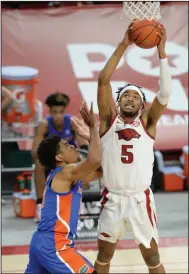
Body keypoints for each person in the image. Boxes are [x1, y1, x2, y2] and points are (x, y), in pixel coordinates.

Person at [72, 24, 171, 274]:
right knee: (104, 255)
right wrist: (124, 44)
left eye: (135, 96)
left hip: (140, 199)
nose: (129, 98)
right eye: (125, 96)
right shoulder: (108, 121)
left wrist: (162, 52)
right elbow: (103, 79)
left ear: (141, 105)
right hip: (112, 197)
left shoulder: (148, 122)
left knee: (152, 257)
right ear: (118, 102)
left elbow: (165, 93)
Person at [25, 103, 102, 274]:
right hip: (54, 244)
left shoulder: (65, 175)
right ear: (59, 157)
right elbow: (95, 160)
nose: (73, 146)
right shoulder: (66, 172)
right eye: (67, 146)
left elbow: (100, 170)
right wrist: (93, 129)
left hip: (42, 242)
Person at [32, 92, 88, 222]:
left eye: (61, 112)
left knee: (82, 160)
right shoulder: (44, 125)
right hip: (52, 160)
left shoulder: (73, 122)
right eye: (55, 112)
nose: (58, 116)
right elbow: (34, 151)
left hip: (70, 161)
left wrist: (77, 155)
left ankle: (80, 202)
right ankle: (40, 204)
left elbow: (84, 146)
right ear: (50, 113)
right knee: (38, 163)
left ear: (65, 112)